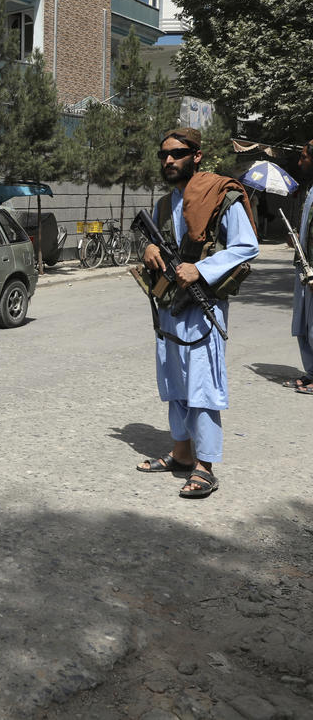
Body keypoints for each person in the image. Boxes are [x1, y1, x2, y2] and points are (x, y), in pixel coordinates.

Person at [135, 127, 259, 498]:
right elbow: (157, 244)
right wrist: (148, 251)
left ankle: (205, 465)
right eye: (164, 155)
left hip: (204, 306)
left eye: (177, 153)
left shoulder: (223, 196)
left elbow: (246, 247)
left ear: (197, 155)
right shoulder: (162, 204)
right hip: (170, 305)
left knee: (203, 385)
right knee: (174, 380)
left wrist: (201, 269)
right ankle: (182, 453)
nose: (169, 160)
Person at [284, 140, 313, 394]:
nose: (300, 162)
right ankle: (311, 372)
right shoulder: (310, 190)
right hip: (303, 268)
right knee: (303, 324)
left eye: (304, 157)